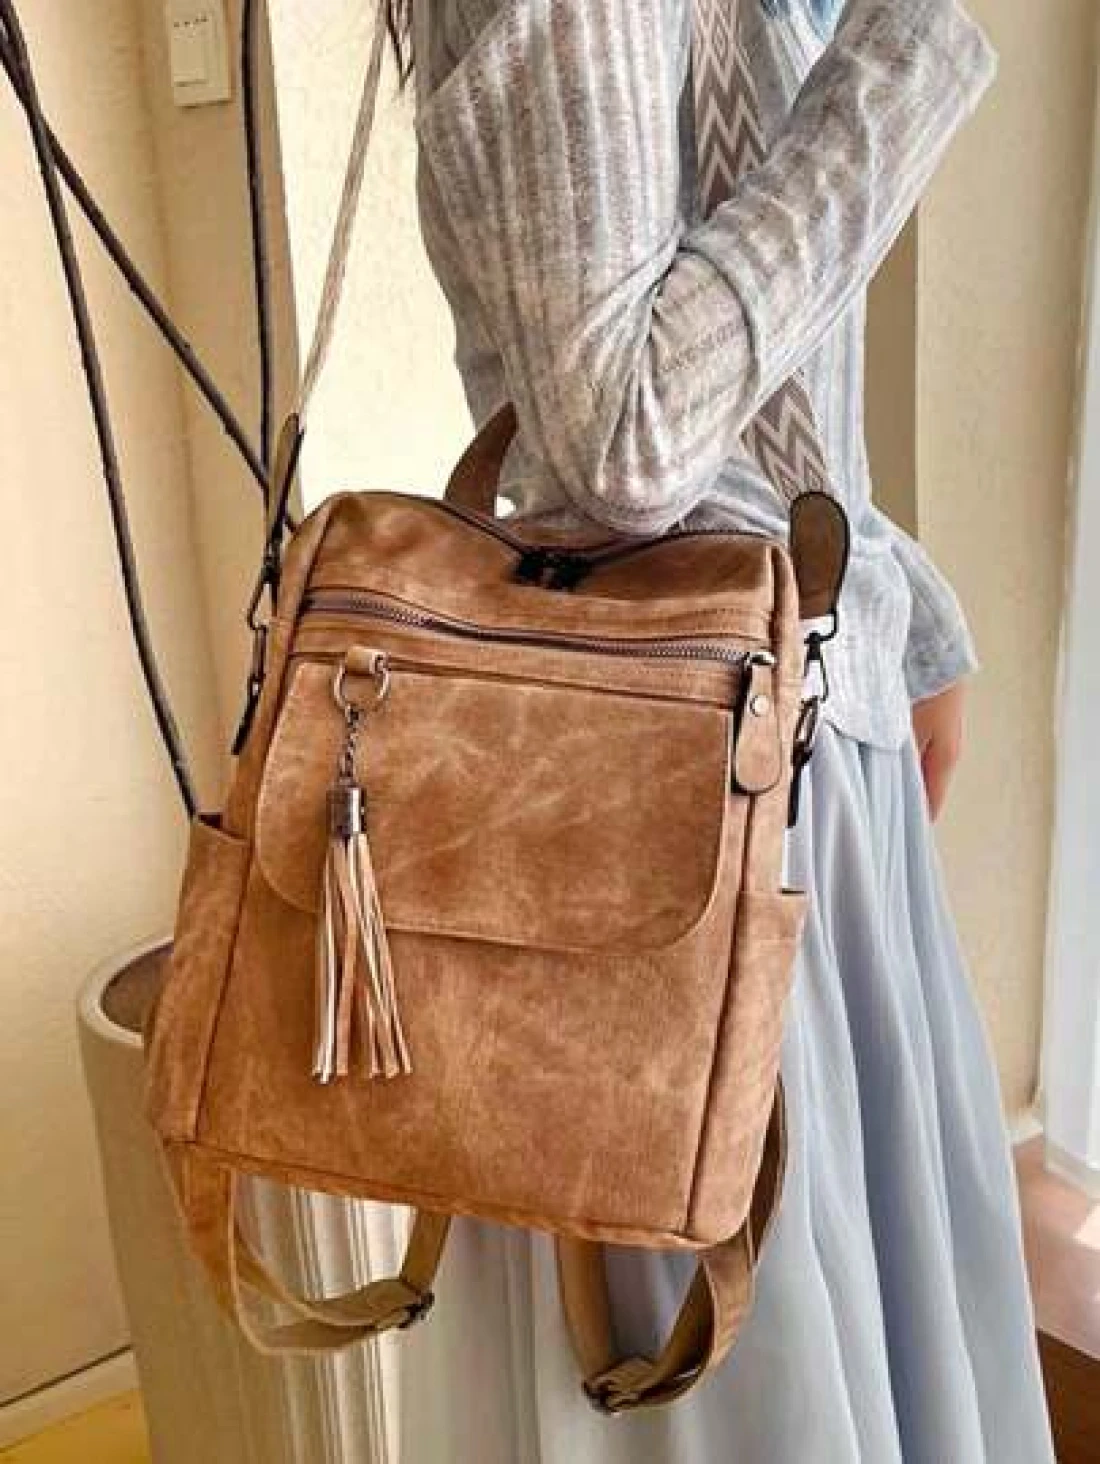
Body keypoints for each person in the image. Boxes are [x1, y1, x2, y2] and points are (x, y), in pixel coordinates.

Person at [375, 1, 1058, 1458]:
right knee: (744, 1383)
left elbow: (759, 405)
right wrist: (895, 65)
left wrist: (905, 609)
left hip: (783, 756)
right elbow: (619, 437)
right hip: (679, 825)